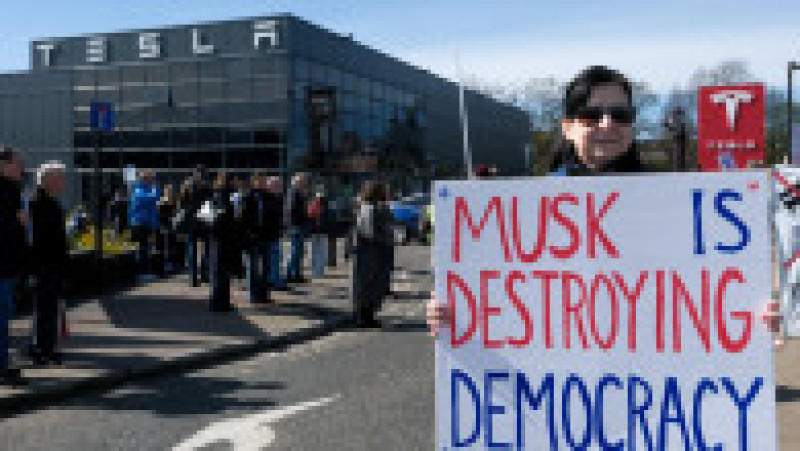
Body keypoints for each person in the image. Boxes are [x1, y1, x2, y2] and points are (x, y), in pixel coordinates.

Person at [425, 65, 784, 343]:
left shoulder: (671, 202)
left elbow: (700, 294)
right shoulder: (528, 208)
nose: (607, 123)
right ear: (567, 126)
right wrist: (450, 315)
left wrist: (752, 319)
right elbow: (497, 291)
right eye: (591, 115)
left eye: (620, 114)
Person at [28, 161, 68, 366]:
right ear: (48, 180)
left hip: (52, 264)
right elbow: (36, 239)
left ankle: (48, 347)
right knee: (43, 308)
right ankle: (40, 348)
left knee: (50, 308)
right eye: (60, 177)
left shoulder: (52, 203)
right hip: (43, 264)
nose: (63, 181)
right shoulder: (37, 203)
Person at [0, 147, 27, 385]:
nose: (22, 167)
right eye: (18, 163)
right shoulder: (6, 189)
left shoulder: (11, 189)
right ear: (4, 165)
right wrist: (17, 221)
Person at [351, 181, 393, 328]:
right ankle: (362, 317)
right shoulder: (368, 208)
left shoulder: (373, 208)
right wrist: (383, 240)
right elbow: (370, 232)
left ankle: (368, 316)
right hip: (368, 253)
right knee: (366, 285)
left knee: (372, 285)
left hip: (372, 252)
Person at [205, 173, 235, 312]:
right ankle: (221, 302)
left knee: (218, 271)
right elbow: (208, 219)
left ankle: (219, 301)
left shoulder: (216, 197)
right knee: (222, 272)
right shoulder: (226, 198)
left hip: (218, 238)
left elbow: (206, 220)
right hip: (223, 238)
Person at [128, 171, 161, 278]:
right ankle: (141, 273)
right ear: (144, 179)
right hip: (140, 223)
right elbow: (152, 198)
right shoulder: (138, 190)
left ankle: (145, 271)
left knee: (146, 248)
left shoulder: (143, 189)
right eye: (150, 178)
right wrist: (156, 188)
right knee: (142, 248)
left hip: (146, 223)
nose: (152, 181)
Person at [285, 173, 311, 284]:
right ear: (297, 182)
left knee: (299, 252)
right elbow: (292, 211)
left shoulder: (299, 193)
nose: (305, 183)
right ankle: (289, 274)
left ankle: (297, 274)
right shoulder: (293, 193)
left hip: (300, 225)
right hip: (296, 226)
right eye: (302, 181)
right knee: (295, 251)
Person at [264, 176, 287, 291]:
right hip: (270, 234)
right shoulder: (268, 200)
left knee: (276, 257)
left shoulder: (278, 199)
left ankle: (275, 279)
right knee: (272, 258)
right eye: (277, 186)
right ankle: (273, 280)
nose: (280, 188)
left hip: (275, 233)